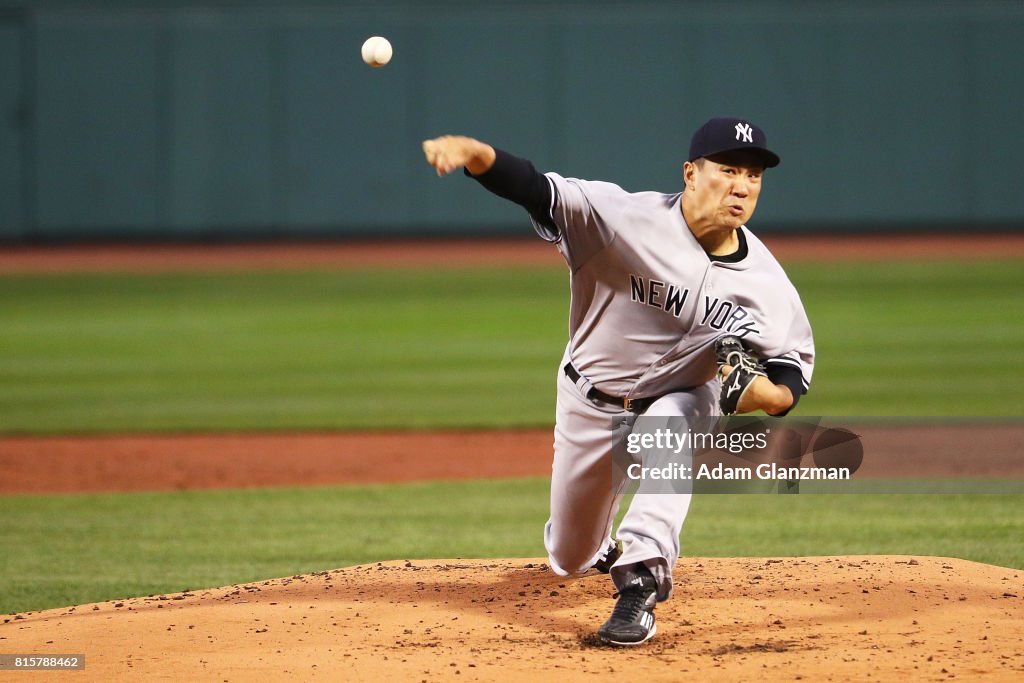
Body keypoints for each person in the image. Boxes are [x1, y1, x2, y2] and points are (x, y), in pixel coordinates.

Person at [422, 117, 815, 646]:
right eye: (727, 170)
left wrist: (761, 394)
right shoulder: (620, 219)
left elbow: (787, 380)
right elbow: (535, 188)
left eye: (753, 175)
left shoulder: (767, 285)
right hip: (588, 400)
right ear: (691, 173)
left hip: (678, 399)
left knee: (677, 423)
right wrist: (475, 154)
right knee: (568, 557)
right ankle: (598, 549)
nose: (742, 186)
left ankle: (641, 583)